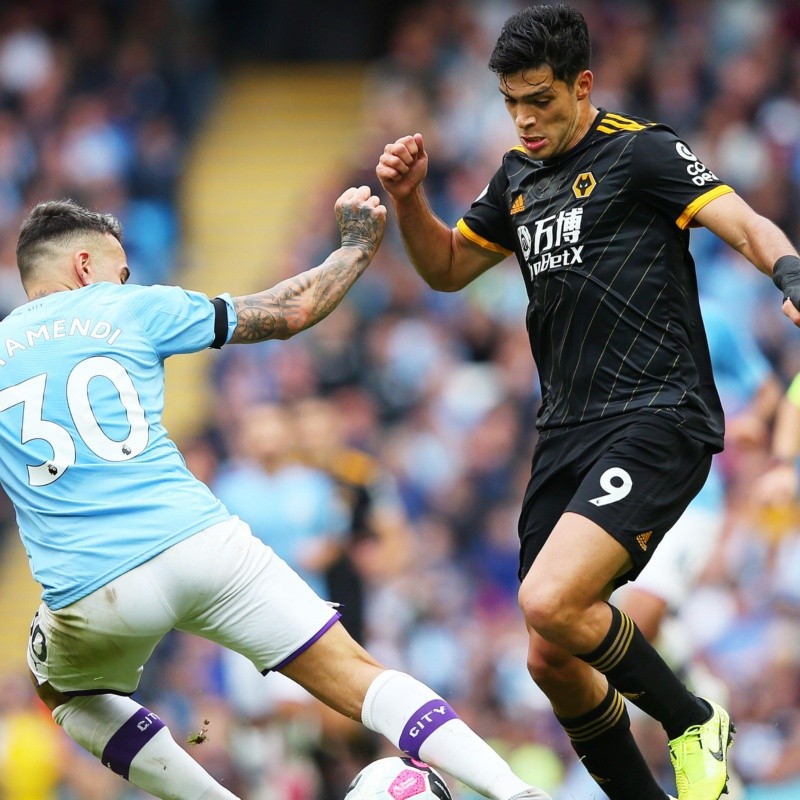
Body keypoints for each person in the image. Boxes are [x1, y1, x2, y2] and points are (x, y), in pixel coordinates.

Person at [375, 5, 800, 800]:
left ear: (583, 85)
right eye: (512, 103)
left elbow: (738, 217)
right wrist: (409, 201)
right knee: (549, 654)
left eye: (540, 99)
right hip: (565, 434)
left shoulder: (642, 151)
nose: (526, 119)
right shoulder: (516, 177)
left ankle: (691, 720)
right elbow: (446, 269)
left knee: (549, 599)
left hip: (656, 414)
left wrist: (789, 271)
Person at [1, 195, 551, 800]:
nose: (123, 279)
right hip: (198, 543)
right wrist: (353, 250)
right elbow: (289, 311)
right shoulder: (128, 307)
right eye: (118, 269)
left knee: (63, 692)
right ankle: (518, 793)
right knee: (357, 676)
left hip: (89, 590)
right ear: (84, 266)